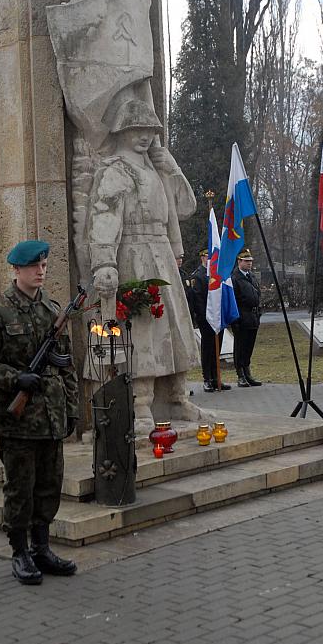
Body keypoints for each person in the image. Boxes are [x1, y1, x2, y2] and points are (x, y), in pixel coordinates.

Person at [87, 98, 200, 429]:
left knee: (176, 328)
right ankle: (141, 406)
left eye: (150, 130)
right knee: (144, 332)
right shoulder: (115, 170)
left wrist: (171, 167)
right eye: (137, 129)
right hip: (134, 255)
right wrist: (104, 262)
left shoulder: (156, 166)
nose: (145, 136)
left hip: (163, 254)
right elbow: (104, 216)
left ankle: (178, 397)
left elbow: (185, 208)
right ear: (123, 131)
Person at [0, 240, 78, 586]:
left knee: (49, 486)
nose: (41, 271)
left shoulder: (51, 310)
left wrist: (71, 409)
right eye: (34, 267)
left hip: (50, 416)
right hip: (17, 420)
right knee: (20, 489)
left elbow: (66, 366)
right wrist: (15, 377)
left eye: (44, 266)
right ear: (16, 269)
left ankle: (42, 548)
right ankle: (19, 552)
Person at [189, 248, 231, 393]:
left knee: (216, 349)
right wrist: (205, 317)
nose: (211, 259)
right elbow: (198, 300)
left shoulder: (218, 274)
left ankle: (216, 378)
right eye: (208, 256)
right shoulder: (199, 276)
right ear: (202, 258)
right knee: (207, 349)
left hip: (219, 317)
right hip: (206, 319)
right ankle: (207, 378)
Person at [231, 249, 262, 387]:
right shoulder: (234, 278)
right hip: (241, 317)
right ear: (239, 261)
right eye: (246, 261)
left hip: (253, 316)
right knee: (240, 347)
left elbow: (258, 295)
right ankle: (240, 375)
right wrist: (236, 320)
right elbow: (234, 300)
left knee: (249, 346)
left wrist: (259, 312)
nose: (249, 263)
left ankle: (247, 372)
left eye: (250, 261)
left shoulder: (252, 276)